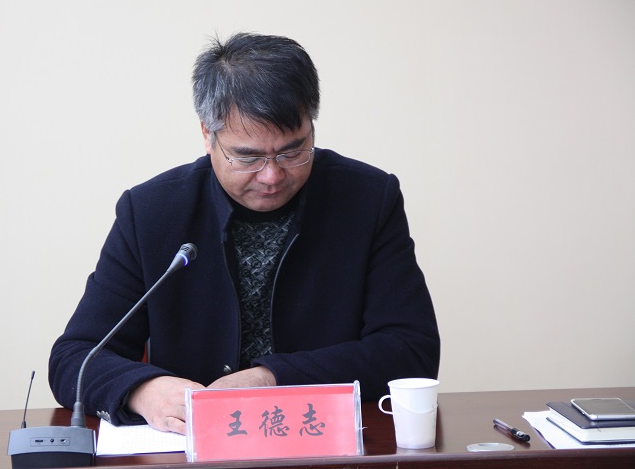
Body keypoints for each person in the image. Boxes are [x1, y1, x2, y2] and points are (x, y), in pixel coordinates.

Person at [49, 32, 440, 435]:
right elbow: (73, 358)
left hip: (324, 441)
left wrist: (272, 378)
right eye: (248, 157)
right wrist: (144, 391)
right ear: (208, 134)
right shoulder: (151, 212)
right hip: (196, 448)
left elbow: (412, 351)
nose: (272, 175)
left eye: (293, 151)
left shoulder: (368, 200)